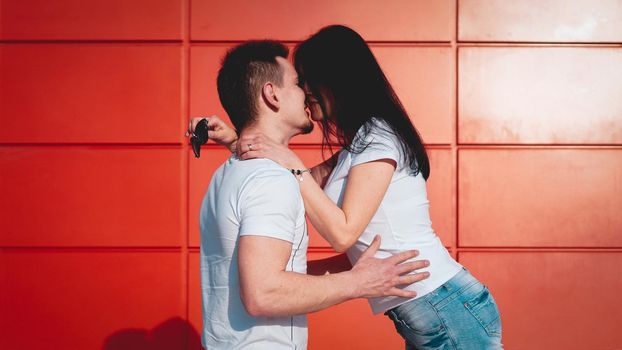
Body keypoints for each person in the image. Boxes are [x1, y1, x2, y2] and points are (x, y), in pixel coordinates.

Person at [194, 25, 503, 349]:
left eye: (307, 80)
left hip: (446, 304)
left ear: (336, 80)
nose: (306, 91)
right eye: (300, 82)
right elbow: (286, 180)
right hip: (427, 312)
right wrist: (238, 141)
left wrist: (289, 158)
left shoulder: (380, 138)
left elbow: (343, 233)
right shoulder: (356, 149)